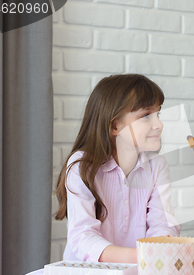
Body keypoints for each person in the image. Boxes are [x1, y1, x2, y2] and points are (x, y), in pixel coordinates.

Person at [55, 74, 180, 263]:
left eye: (158, 114)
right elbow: (83, 237)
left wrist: (163, 244)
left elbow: (162, 224)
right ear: (115, 126)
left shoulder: (157, 166)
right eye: (146, 116)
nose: (159, 124)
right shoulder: (82, 166)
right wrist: (143, 256)